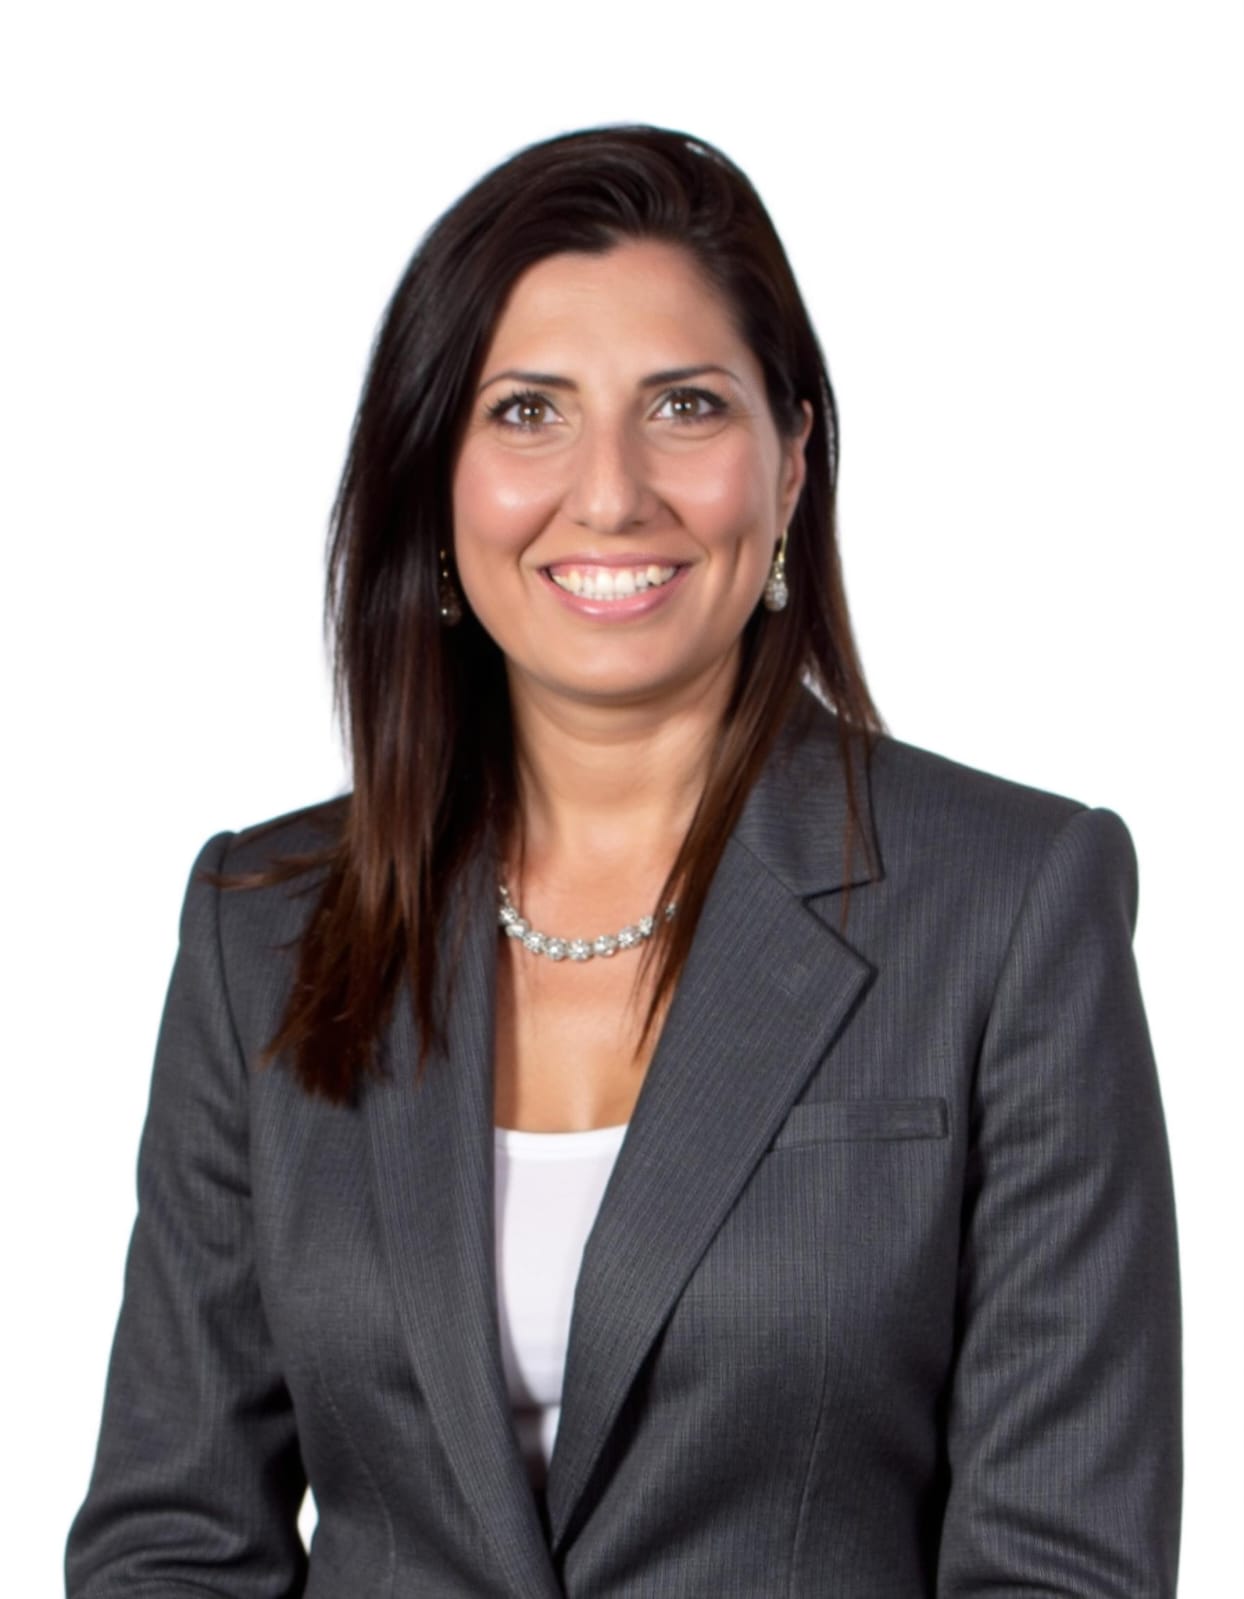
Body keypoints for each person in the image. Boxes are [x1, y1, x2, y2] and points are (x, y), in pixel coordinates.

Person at [66, 125, 1181, 1596]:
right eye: (528, 410)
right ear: (434, 472)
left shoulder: (1011, 902)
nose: (609, 493)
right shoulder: (259, 929)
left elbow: (1062, 1561)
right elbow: (174, 1541)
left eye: (686, 406)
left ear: (792, 461)